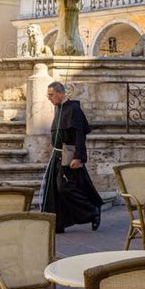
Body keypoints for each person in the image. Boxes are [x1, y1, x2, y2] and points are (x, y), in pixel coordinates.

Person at [41, 81, 103, 233]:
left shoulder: (74, 109)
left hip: (69, 156)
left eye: (51, 95)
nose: (49, 98)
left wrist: (79, 157)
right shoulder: (59, 108)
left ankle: (92, 211)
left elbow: (79, 135)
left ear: (60, 93)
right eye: (48, 95)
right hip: (57, 155)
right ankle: (59, 223)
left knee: (65, 187)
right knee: (55, 189)